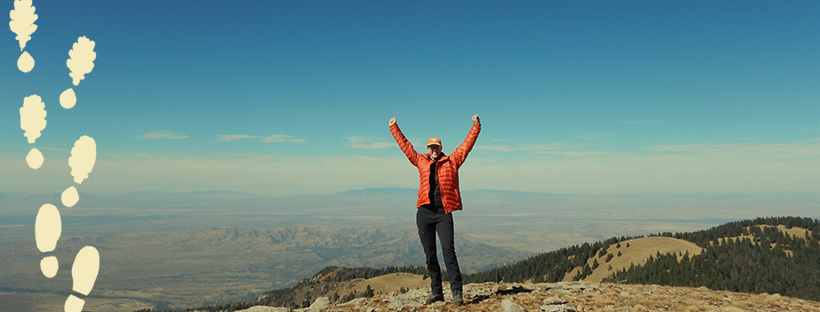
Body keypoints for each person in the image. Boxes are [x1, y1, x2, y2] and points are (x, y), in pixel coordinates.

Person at [388, 114, 481, 306]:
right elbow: (406, 147)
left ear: (441, 148)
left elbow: (466, 145)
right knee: (430, 255)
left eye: (437, 146)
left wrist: (476, 126)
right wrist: (393, 128)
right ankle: (436, 292)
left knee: (449, 253)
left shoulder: (452, 161)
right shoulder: (421, 161)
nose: (434, 149)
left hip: (443, 213)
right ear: (427, 149)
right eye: (431, 147)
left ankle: (456, 292)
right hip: (424, 213)